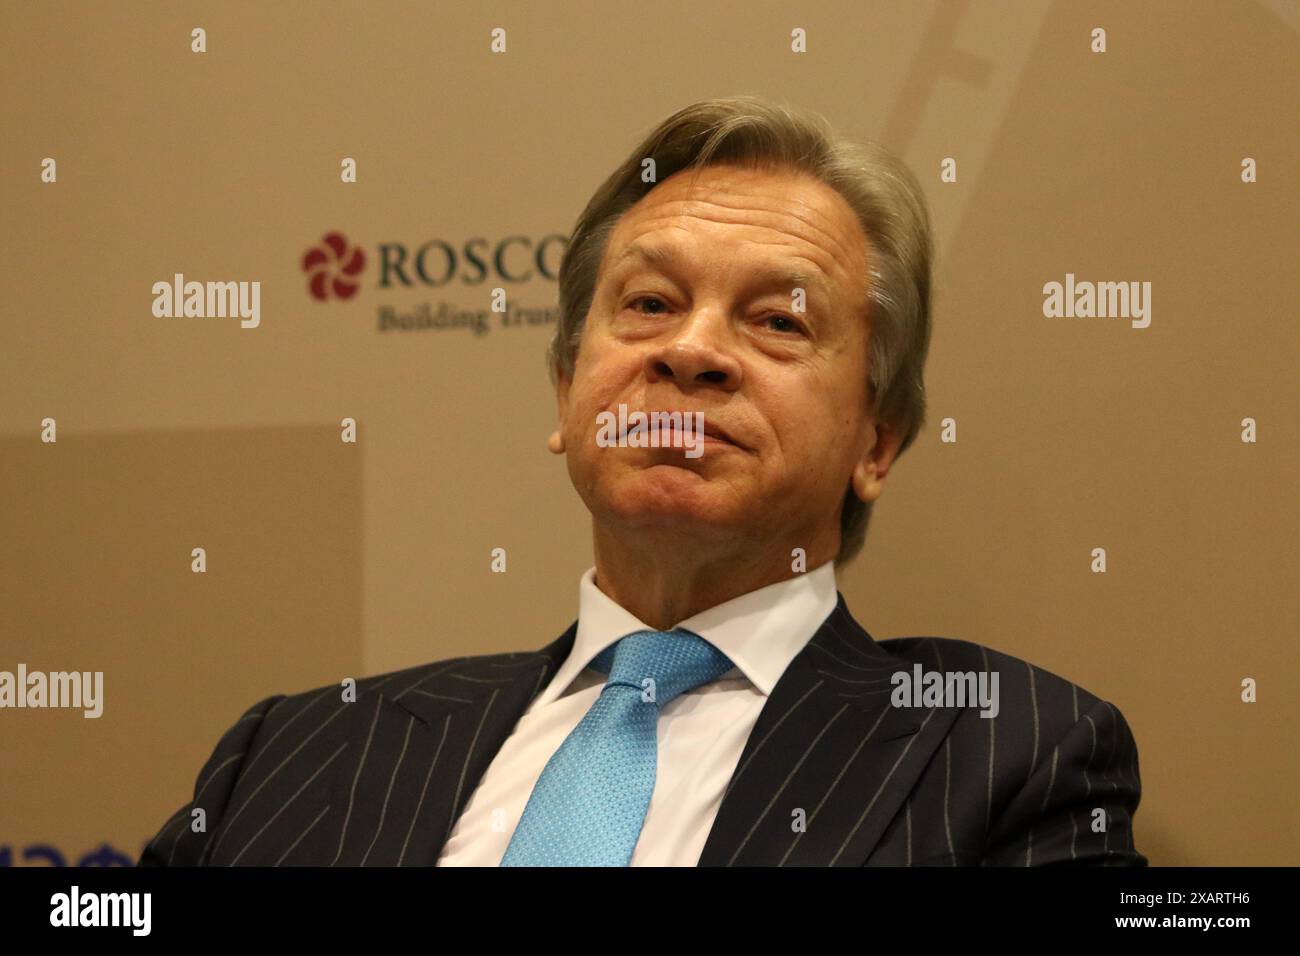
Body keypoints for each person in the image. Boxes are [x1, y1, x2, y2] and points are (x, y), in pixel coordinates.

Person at [139, 96, 1145, 867]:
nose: (693, 350)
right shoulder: (297, 749)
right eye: (651, 301)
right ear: (569, 388)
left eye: (779, 319)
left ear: (875, 443)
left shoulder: (1005, 750)